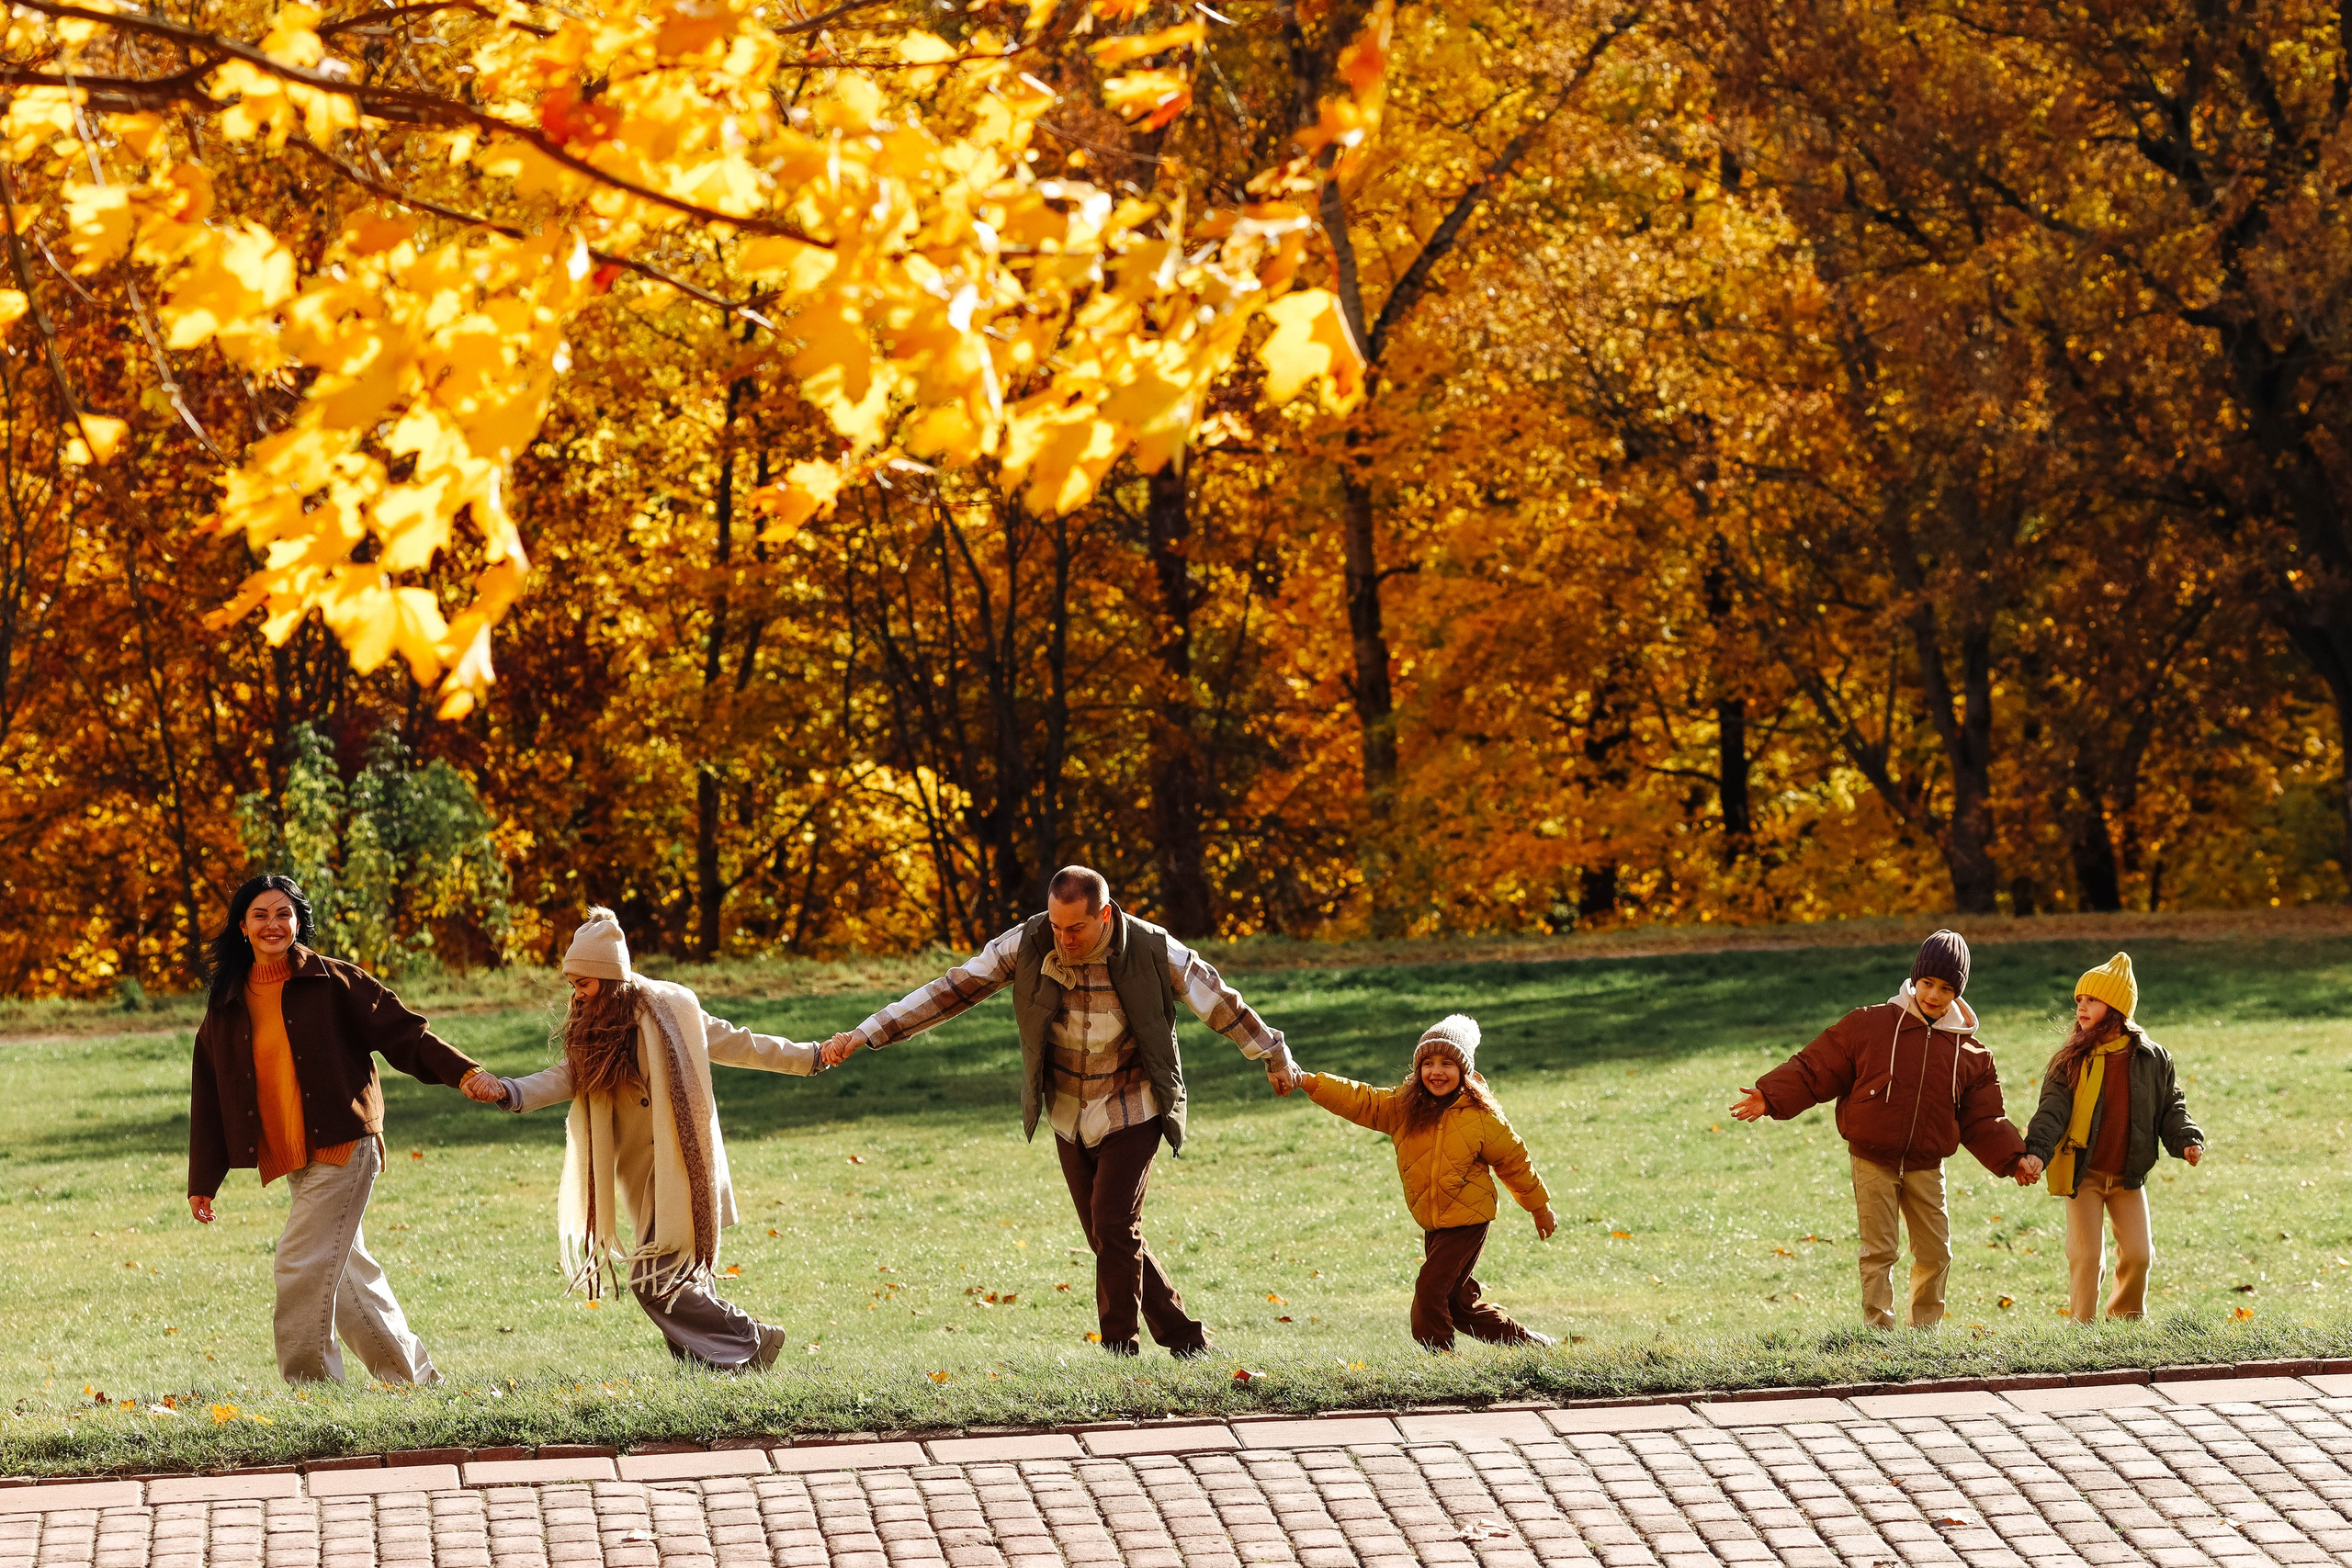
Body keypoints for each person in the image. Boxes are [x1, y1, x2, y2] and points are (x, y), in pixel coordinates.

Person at [818, 865, 1299, 1359]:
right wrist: (867, 1031)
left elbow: (1217, 998)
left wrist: (1272, 1053)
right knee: (1106, 1234)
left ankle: (1119, 1354)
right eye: (1056, 925)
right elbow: (952, 989)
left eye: (1076, 928)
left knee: (1113, 1225)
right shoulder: (1027, 942)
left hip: (1133, 1104)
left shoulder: (1154, 950)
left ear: (1105, 915)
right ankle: (1187, 1342)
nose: (1063, 939)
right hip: (1067, 1111)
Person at [466, 908, 820, 1371]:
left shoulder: (674, 1009)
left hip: (684, 1164)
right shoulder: (592, 1028)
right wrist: (510, 1091)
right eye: (572, 984)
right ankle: (712, 1365)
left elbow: (737, 1042)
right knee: (681, 1276)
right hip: (641, 1172)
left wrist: (810, 1056)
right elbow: (570, 1076)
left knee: (652, 1279)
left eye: (585, 984)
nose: (576, 995)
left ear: (610, 978)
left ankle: (750, 1341)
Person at [187, 874, 500, 1384]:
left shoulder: (333, 981)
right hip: (292, 1154)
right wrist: (204, 1179)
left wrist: (465, 1072)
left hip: (345, 1145)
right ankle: (414, 1384)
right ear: (242, 926)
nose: (273, 925)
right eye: (261, 915)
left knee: (300, 1262)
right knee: (349, 1277)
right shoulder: (226, 1002)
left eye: (283, 914)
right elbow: (209, 1090)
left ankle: (313, 1392)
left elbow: (406, 1034)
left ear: (298, 921)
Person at [1729, 929, 2037, 1329]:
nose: (1933, 995)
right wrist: (1770, 1096)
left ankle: (1924, 1336)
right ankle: (1880, 1334)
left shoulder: (1971, 1054)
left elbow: (1983, 1119)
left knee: (1936, 1253)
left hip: (1926, 1165)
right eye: (1927, 983)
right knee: (1879, 1251)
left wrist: (2013, 1159)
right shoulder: (1870, 1024)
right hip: (1873, 1159)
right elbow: (1817, 1066)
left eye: (1946, 988)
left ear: (1957, 994)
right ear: (1914, 980)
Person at [1288, 1015, 1558, 1350]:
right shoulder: (1402, 1108)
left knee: (1430, 1291)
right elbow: (1359, 1099)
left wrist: (1539, 1207)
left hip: (1469, 1218)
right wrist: (1309, 1082)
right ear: (1417, 1070)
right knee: (1459, 1306)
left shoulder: (1480, 1116)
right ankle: (1531, 1344)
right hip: (1434, 1222)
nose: (1436, 1071)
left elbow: (1514, 1161)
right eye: (1428, 1063)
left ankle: (1441, 1361)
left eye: (1447, 1063)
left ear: (1463, 1070)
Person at [2021, 953, 2205, 1324]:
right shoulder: (2071, 1060)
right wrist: (2038, 1152)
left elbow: (2171, 1105)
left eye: (2092, 1000)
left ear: (2118, 1007)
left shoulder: (2153, 1058)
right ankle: (2082, 1329)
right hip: (2083, 1174)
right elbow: (2051, 1111)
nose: (2082, 1008)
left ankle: (2124, 1322)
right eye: (2079, 1001)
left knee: (2139, 1255)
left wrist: (2186, 1138)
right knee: (2086, 1257)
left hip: (2127, 1176)